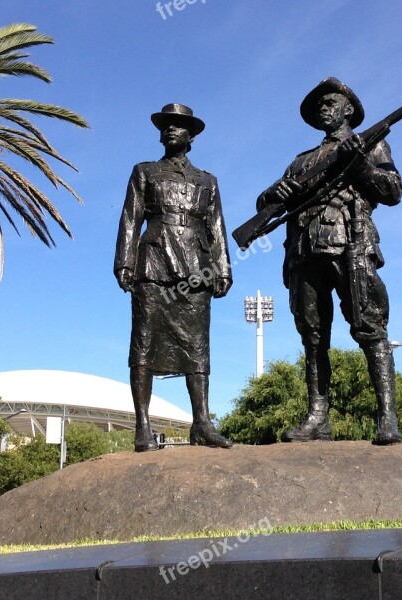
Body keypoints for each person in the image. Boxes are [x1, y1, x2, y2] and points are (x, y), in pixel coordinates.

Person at [256, 78, 402, 445]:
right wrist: (275, 192)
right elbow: (266, 206)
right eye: (319, 104)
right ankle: (317, 419)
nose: (324, 107)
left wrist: (361, 167)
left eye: (331, 101)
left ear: (348, 109)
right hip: (304, 249)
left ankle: (387, 418)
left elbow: (393, 190)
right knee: (313, 336)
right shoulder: (301, 161)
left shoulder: (371, 144)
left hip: (349, 242)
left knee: (370, 328)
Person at [114, 104, 233, 451]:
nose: (170, 131)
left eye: (178, 126)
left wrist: (223, 268)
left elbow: (216, 226)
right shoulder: (144, 171)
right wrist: (124, 262)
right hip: (152, 263)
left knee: (197, 344)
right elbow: (130, 218)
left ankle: (202, 422)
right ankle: (142, 426)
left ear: (191, 136)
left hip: (196, 265)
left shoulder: (207, 181)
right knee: (144, 341)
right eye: (166, 126)